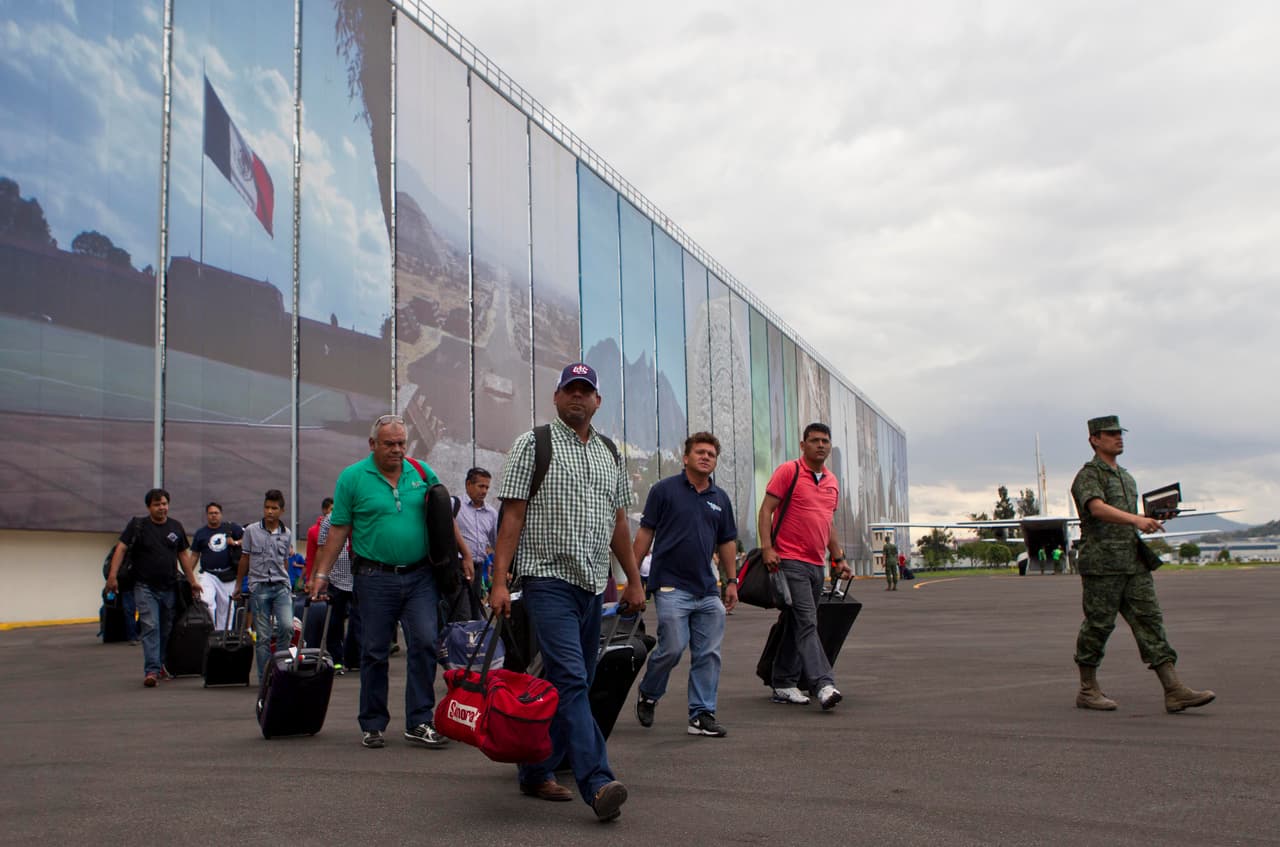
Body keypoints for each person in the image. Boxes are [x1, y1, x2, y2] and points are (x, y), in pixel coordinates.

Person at [490, 362, 644, 823]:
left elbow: (618, 522)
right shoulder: (532, 444)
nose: (578, 397)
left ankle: (535, 769)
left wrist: (633, 579)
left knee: (571, 682)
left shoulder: (609, 453)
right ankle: (597, 783)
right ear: (557, 397)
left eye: (586, 390)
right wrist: (499, 582)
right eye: (570, 389)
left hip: (593, 584)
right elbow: (511, 518)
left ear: (597, 401)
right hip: (546, 580)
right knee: (573, 679)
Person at [308, 414, 470, 749]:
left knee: (425, 643)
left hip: (420, 576)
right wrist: (321, 574)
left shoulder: (423, 472)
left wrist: (464, 553)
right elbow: (339, 529)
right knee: (374, 651)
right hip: (373, 578)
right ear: (372, 445)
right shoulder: (352, 478)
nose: (397, 450)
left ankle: (420, 721)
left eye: (401, 443)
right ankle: (372, 723)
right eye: (389, 444)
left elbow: (443, 519)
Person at [1070, 415, 1215, 713]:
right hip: (1103, 564)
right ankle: (1087, 689)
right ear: (1094, 440)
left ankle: (1174, 690)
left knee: (1150, 622)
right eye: (1110, 434)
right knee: (1098, 625)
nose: (1118, 438)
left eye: (1119, 433)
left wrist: (1151, 518)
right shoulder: (1088, 476)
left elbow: (1128, 517)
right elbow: (1096, 508)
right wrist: (1137, 519)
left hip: (1133, 561)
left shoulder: (1126, 478)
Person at [632, 431, 738, 738]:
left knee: (708, 654)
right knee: (673, 648)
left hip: (706, 590)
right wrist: (634, 578)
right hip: (670, 586)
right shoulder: (663, 491)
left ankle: (701, 715)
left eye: (711, 454)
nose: (706, 457)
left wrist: (732, 581)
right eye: (700, 452)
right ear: (686, 457)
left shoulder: (720, 499)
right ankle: (649, 692)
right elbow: (644, 535)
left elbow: (727, 542)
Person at [757, 422, 854, 710]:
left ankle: (784, 682)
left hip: (817, 564)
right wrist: (767, 548)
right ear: (803, 445)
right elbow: (766, 510)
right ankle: (823, 684)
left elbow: (828, 523)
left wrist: (838, 558)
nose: (821, 445)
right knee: (808, 622)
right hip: (790, 560)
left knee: (794, 623)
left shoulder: (832, 481)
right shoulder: (790, 471)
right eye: (814, 440)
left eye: (825, 441)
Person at [104, 489, 202, 687]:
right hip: (144, 586)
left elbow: (183, 555)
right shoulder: (138, 526)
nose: (162, 508)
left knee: (165, 629)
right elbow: (121, 548)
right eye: (157, 504)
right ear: (149, 507)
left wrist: (192, 581)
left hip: (169, 587)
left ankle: (161, 664)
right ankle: (151, 670)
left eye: (164, 503)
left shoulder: (175, 527)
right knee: (151, 626)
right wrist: (113, 576)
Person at [233, 490, 293, 685]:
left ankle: (281, 671)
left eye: (274, 508)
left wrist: (287, 582)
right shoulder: (251, 530)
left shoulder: (287, 533)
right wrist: (238, 585)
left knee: (287, 627)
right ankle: (265, 678)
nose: (270, 512)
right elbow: (245, 558)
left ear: (281, 511)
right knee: (263, 636)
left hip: (281, 585)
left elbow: (284, 562)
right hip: (259, 586)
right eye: (267, 507)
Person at [451, 466, 499, 619]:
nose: (484, 491)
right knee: (461, 615)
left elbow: (496, 542)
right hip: (458, 569)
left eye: (487, 487)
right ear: (468, 485)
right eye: (480, 486)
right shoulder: (455, 505)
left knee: (475, 614)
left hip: (478, 571)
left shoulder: (491, 513)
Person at [316, 502, 358, 673]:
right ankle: (336, 658)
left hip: (358, 577)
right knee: (335, 621)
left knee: (359, 620)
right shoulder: (329, 521)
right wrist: (320, 575)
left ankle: (354, 658)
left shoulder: (360, 517)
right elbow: (321, 548)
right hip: (336, 578)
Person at [191, 502, 243, 628]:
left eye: (216, 513)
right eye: (211, 513)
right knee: (207, 602)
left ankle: (223, 636)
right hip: (208, 574)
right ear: (206, 515)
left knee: (226, 608)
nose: (213, 516)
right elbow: (194, 555)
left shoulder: (231, 528)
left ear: (221, 514)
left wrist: (235, 542)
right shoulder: (201, 533)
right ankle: (209, 631)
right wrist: (187, 574)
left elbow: (249, 539)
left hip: (228, 575)